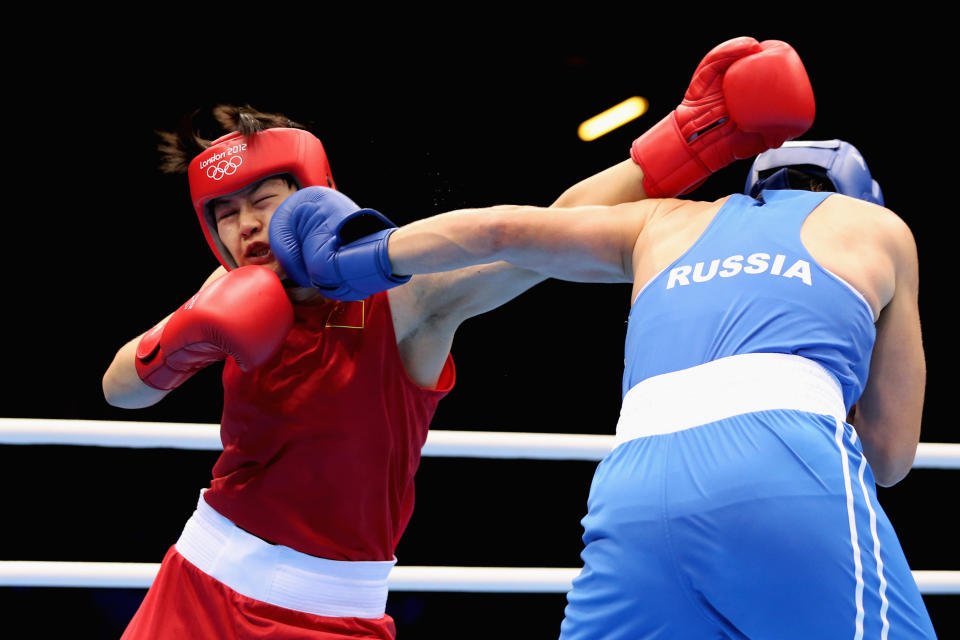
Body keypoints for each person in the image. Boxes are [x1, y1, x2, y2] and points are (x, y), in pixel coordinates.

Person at [102, 37, 814, 639]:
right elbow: (119, 389)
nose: (246, 225)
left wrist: (691, 143)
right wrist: (184, 338)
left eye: (263, 200)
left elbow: (547, 228)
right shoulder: (221, 294)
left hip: (333, 611)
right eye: (225, 213)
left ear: (310, 193)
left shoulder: (401, 296)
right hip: (198, 581)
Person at [280, 136, 936, 639]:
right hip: (784, 465)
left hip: (635, 485)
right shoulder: (877, 230)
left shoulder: (665, 221)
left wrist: (358, 259)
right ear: (855, 196)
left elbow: (502, 231)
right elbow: (890, 458)